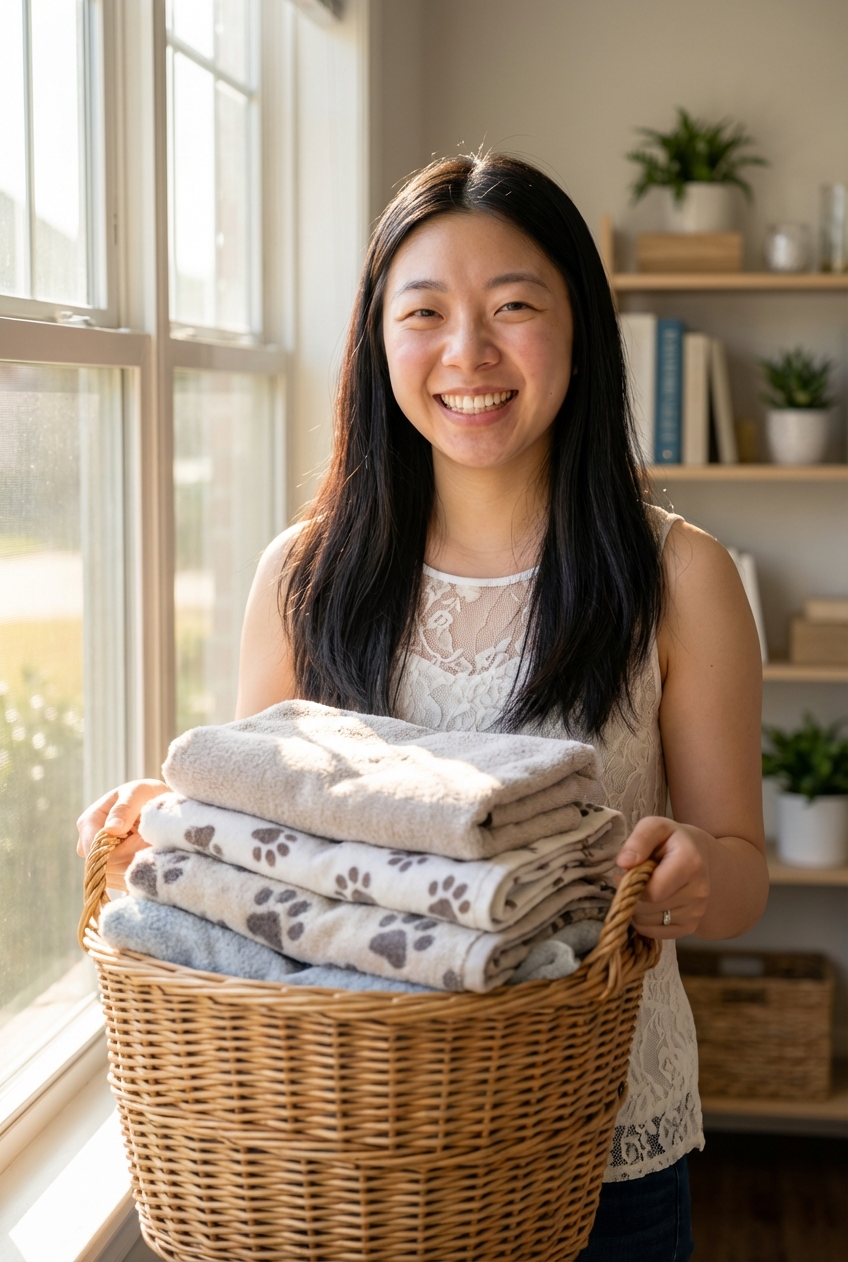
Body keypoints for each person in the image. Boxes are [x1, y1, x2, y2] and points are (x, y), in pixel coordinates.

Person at [78, 152, 768, 1261]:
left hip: (587, 1152)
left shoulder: (677, 577)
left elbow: (739, 868)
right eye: (425, 314)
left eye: (512, 308)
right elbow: (272, 853)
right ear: (376, 340)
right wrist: (172, 820)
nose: (468, 354)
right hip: (338, 1150)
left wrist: (687, 868)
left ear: (579, 329)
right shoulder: (302, 575)